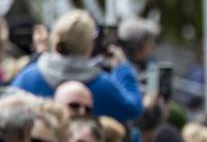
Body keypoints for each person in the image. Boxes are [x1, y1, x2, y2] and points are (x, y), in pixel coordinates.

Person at [10, 10, 144, 121]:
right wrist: (122, 68)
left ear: (55, 39)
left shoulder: (30, 76)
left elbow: (7, 106)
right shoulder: (102, 85)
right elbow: (133, 109)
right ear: (89, 45)